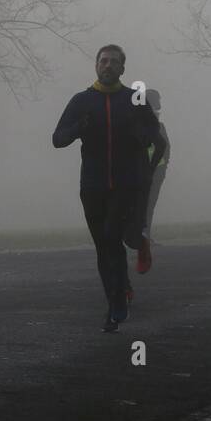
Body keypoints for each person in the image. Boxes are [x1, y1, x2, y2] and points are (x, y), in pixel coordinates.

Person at [52, 44, 163, 333]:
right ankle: (115, 299)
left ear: (123, 68)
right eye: (104, 61)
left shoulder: (134, 100)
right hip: (92, 185)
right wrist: (79, 127)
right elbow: (58, 138)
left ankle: (117, 304)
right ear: (96, 66)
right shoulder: (82, 100)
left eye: (115, 62)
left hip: (126, 184)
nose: (108, 65)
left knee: (113, 237)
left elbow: (157, 139)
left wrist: (146, 164)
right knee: (104, 246)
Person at [138, 88, 170, 268]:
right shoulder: (141, 124)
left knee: (149, 206)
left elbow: (166, 147)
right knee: (143, 205)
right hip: (142, 172)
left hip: (156, 173)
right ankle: (140, 238)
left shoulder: (158, 125)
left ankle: (145, 237)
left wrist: (164, 167)